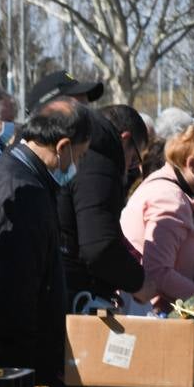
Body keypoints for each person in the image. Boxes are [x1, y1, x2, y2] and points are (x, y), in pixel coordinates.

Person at [0, 99, 91, 387]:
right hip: (10, 366)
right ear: (62, 147)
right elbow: (17, 293)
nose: (77, 166)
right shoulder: (26, 193)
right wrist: (27, 374)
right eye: (79, 157)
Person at [120, 123, 194, 308]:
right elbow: (158, 272)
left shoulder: (163, 186)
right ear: (192, 163)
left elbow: (180, 264)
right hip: (149, 310)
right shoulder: (169, 199)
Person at [62, 102, 148, 300]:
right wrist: (139, 281)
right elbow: (98, 246)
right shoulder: (101, 161)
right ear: (124, 139)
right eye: (134, 159)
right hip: (73, 293)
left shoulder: (83, 154)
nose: (131, 167)